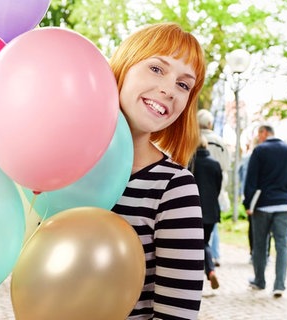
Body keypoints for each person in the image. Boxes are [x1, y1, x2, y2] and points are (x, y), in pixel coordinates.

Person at [109, 23, 206, 319]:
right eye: (157, 69)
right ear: (124, 65)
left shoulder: (174, 188)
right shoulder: (61, 168)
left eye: (183, 84)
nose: (168, 89)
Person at [243, 124, 287, 298]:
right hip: (284, 205)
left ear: (264, 133)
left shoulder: (259, 151)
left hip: (262, 205)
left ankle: (259, 280)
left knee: (260, 244)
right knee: (282, 245)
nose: (258, 137)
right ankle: (279, 285)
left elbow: (251, 179)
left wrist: (248, 204)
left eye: (259, 134)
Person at [197, 108, 231, 267]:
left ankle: (206, 259)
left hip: (197, 190)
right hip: (215, 187)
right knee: (211, 223)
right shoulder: (220, 142)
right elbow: (226, 166)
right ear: (210, 124)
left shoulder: (192, 140)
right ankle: (214, 255)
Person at [190, 136, 222, 290]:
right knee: (204, 243)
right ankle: (209, 272)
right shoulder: (215, 164)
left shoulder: (191, 163)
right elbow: (218, 187)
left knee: (198, 244)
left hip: (194, 209)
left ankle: (209, 271)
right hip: (211, 211)